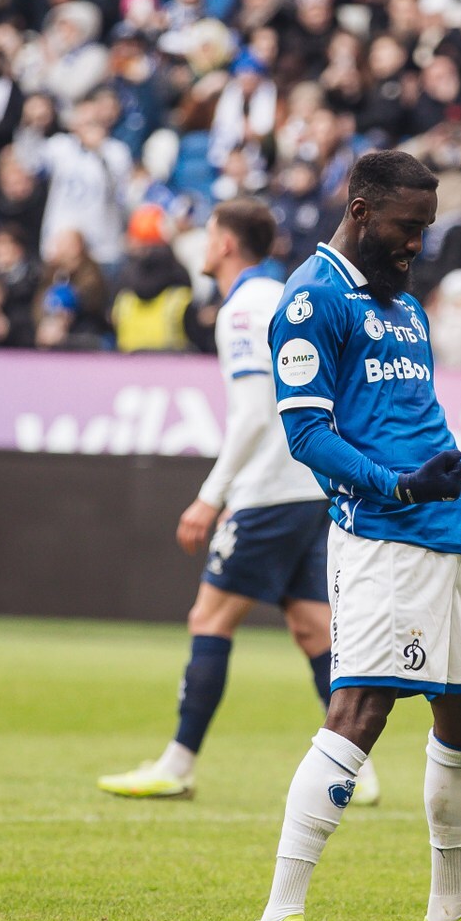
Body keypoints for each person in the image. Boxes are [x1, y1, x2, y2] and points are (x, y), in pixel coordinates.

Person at [248, 150, 461, 921]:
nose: (417, 244)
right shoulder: (310, 301)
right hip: (385, 539)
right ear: (360, 211)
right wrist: (395, 485)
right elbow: (308, 435)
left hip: (454, 537)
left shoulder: (405, 306)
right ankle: (279, 919)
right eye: (406, 227)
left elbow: (426, 438)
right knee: (362, 708)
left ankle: (450, 917)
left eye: (424, 229)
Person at [98, 198, 380, 806]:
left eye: (207, 234)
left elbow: (256, 414)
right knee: (312, 628)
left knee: (210, 618)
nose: (201, 244)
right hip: (312, 484)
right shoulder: (287, 296)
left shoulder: (245, 307)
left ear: (225, 244)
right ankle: (355, 766)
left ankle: (177, 763)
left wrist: (211, 498)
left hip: (271, 489)